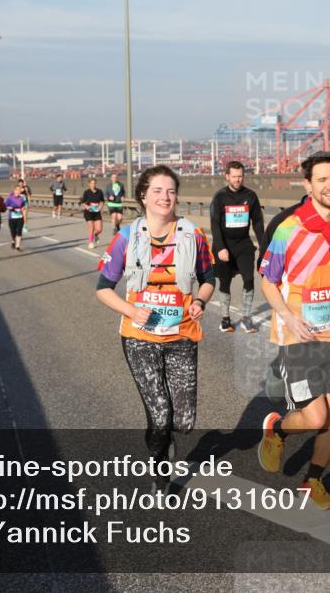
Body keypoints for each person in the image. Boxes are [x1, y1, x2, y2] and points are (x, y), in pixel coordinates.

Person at [256, 153, 330, 511]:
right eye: (322, 180)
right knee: (316, 417)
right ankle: (276, 429)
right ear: (308, 185)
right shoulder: (289, 228)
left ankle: (314, 481)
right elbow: (268, 282)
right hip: (300, 335)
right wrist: (290, 318)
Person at [96, 165, 214, 490]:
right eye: (158, 191)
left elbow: (209, 278)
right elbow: (103, 288)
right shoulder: (126, 237)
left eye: (171, 191)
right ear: (143, 197)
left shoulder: (193, 234)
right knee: (159, 415)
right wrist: (131, 310)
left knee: (184, 422)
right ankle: (159, 467)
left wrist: (200, 301)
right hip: (139, 338)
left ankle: (164, 440)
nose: (165, 197)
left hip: (181, 335)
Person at [210, 160, 265, 333]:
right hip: (224, 245)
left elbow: (257, 222)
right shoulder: (220, 197)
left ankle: (246, 318)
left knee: (249, 279)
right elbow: (214, 224)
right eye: (234, 177)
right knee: (224, 282)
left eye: (240, 176)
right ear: (227, 176)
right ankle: (225, 319)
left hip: (244, 245)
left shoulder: (251, 196)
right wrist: (220, 248)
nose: (237, 180)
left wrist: (263, 245)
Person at [80, 178, 105, 249]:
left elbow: (102, 201)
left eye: (94, 183)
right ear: (89, 184)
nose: (93, 185)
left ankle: (95, 235)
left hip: (97, 212)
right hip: (89, 212)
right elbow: (83, 202)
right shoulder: (86, 192)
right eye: (91, 183)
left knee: (99, 229)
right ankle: (91, 242)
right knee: (91, 228)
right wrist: (87, 206)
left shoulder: (99, 192)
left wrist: (100, 207)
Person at [5, 184, 27, 252]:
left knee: (19, 232)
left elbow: (23, 206)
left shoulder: (21, 199)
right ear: (14, 191)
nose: (18, 191)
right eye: (17, 190)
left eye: (19, 190)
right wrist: (9, 208)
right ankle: (13, 241)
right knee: (13, 232)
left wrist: (23, 209)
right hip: (12, 218)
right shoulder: (10, 198)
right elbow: (5, 206)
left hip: (19, 217)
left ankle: (17, 246)